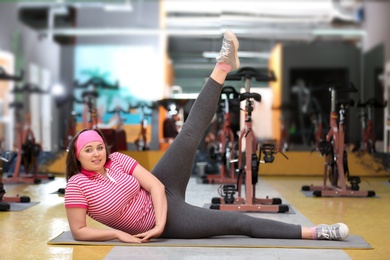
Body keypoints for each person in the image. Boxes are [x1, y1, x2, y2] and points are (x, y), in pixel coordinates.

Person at [64, 31, 349, 243]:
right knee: (239, 223)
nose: (97, 153)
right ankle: (318, 232)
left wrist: (159, 225)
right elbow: (79, 231)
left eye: (99, 147)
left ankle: (224, 64)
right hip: (173, 218)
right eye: (88, 150)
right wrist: (118, 234)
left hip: (164, 195)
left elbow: (154, 186)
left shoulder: (117, 161)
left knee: (188, 133)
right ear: (77, 156)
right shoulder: (77, 186)